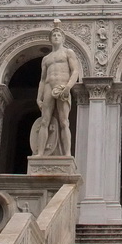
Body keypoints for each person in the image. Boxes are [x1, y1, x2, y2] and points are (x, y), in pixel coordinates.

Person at [33, 21, 81, 156]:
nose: (56, 36)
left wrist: (68, 87)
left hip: (62, 87)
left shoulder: (68, 52)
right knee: (44, 121)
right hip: (48, 87)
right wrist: (38, 97)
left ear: (63, 38)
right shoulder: (46, 58)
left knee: (64, 121)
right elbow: (42, 80)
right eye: (54, 35)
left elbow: (75, 71)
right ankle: (40, 153)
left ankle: (67, 154)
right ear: (50, 39)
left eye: (58, 34)